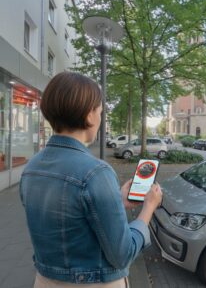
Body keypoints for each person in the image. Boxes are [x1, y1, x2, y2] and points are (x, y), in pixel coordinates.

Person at [19, 72, 163, 288]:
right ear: (89, 116)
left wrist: (116, 200)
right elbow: (122, 254)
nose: (101, 118)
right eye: (100, 112)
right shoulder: (96, 173)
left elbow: (67, 218)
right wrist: (148, 208)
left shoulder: (30, 168)